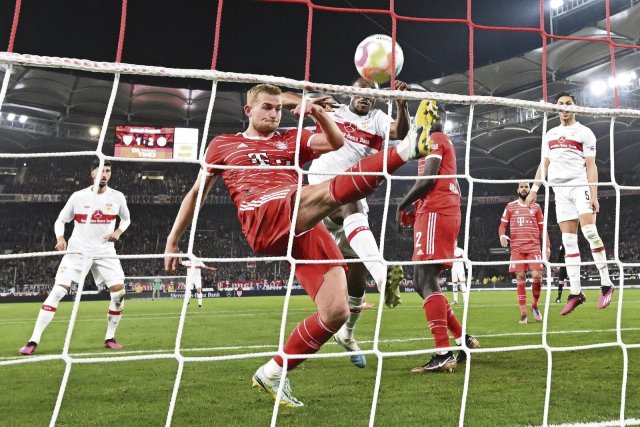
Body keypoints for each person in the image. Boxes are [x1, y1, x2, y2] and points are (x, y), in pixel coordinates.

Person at [164, 83, 429, 406]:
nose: (274, 114)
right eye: (267, 108)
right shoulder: (223, 145)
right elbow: (196, 193)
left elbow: (335, 141)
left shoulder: (290, 139)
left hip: (302, 223)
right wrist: (173, 239)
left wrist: (316, 111)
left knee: (336, 312)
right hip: (262, 215)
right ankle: (406, 150)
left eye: (278, 109)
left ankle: (274, 371)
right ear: (249, 111)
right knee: (331, 190)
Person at [283, 77, 411, 369]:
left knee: (356, 276)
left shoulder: (378, 119)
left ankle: (348, 335)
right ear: (351, 92)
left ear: (376, 101)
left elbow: (398, 132)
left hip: (351, 201)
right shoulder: (334, 110)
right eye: (360, 92)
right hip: (319, 189)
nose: (365, 98)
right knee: (347, 194)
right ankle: (382, 273)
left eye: (371, 95)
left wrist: (402, 107)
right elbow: (283, 95)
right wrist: (308, 104)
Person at [395, 100, 479, 373]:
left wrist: (401, 204)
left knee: (425, 280)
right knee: (421, 283)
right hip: (435, 211)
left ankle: (443, 353)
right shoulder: (432, 141)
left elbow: (428, 182)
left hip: (437, 212)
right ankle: (462, 341)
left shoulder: (436, 139)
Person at [19, 160, 131, 355]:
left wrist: (119, 232)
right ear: (92, 174)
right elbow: (61, 219)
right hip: (78, 250)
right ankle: (32, 340)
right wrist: (60, 237)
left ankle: (110, 337)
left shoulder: (117, 197)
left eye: (108, 171)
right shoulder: (78, 197)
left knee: (119, 293)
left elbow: (127, 218)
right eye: (100, 170)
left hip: (105, 251)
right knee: (57, 292)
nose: (104, 174)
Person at [526, 91, 614, 315]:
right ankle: (576, 293)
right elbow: (543, 164)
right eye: (561, 104)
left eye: (568, 104)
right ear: (557, 108)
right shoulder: (550, 134)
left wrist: (593, 195)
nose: (564, 107)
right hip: (560, 191)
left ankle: (606, 283)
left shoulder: (585, 132)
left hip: (580, 186)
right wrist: (535, 189)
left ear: (575, 106)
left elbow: (591, 166)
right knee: (567, 241)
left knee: (590, 232)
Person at [499, 182, 550, 324]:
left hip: (534, 247)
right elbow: (502, 225)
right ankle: (523, 313)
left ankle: (534, 305)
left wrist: (547, 246)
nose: (524, 189)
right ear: (517, 190)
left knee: (537, 277)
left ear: (529, 189)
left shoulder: (536, 207)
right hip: (517, 248)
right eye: (521, 187)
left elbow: (543, 228)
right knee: (520, 277)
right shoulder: (510, 206)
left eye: (526, 187)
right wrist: (502, 236)